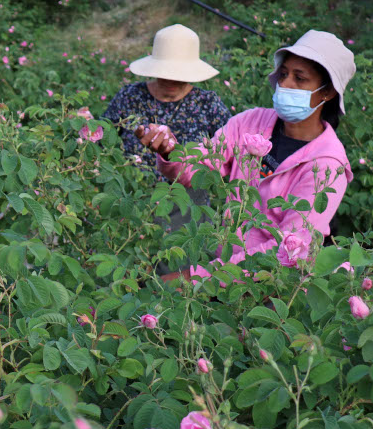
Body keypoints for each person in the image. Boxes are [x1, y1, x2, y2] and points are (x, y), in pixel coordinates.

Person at [152, 29, 355, 280]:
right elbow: (202, 167)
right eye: (283, 74)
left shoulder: (328, 165)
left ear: (327, 92)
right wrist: (172, 153)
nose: (286, 84)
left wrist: (199, 277)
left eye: (300, 78)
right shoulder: (252, 121)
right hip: (222, 266)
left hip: (273, 288)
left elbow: (289, 248)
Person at [103, 24, 231, 179]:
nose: (171, 79)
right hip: (133, 191)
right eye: (165, 73)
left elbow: (229, 152)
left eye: (179, 74)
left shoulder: (207, 103)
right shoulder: (130, 96)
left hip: (189, 197)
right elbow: (102, 140)